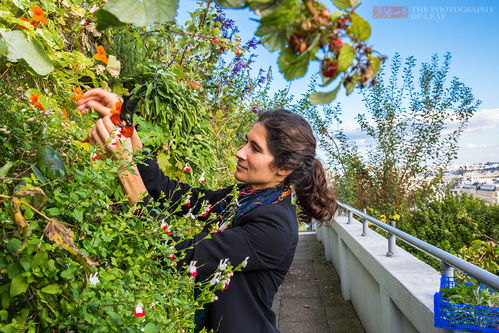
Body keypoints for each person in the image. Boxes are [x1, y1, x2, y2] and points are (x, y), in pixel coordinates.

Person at [76, 89, 337, 332]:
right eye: (246, 142)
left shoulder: (274, 225)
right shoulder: (246, 196)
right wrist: (127, 126)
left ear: (284, 169)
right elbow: (170, 192)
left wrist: (125, 168)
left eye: (255, 149)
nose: (239, 152)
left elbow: (175, 255)